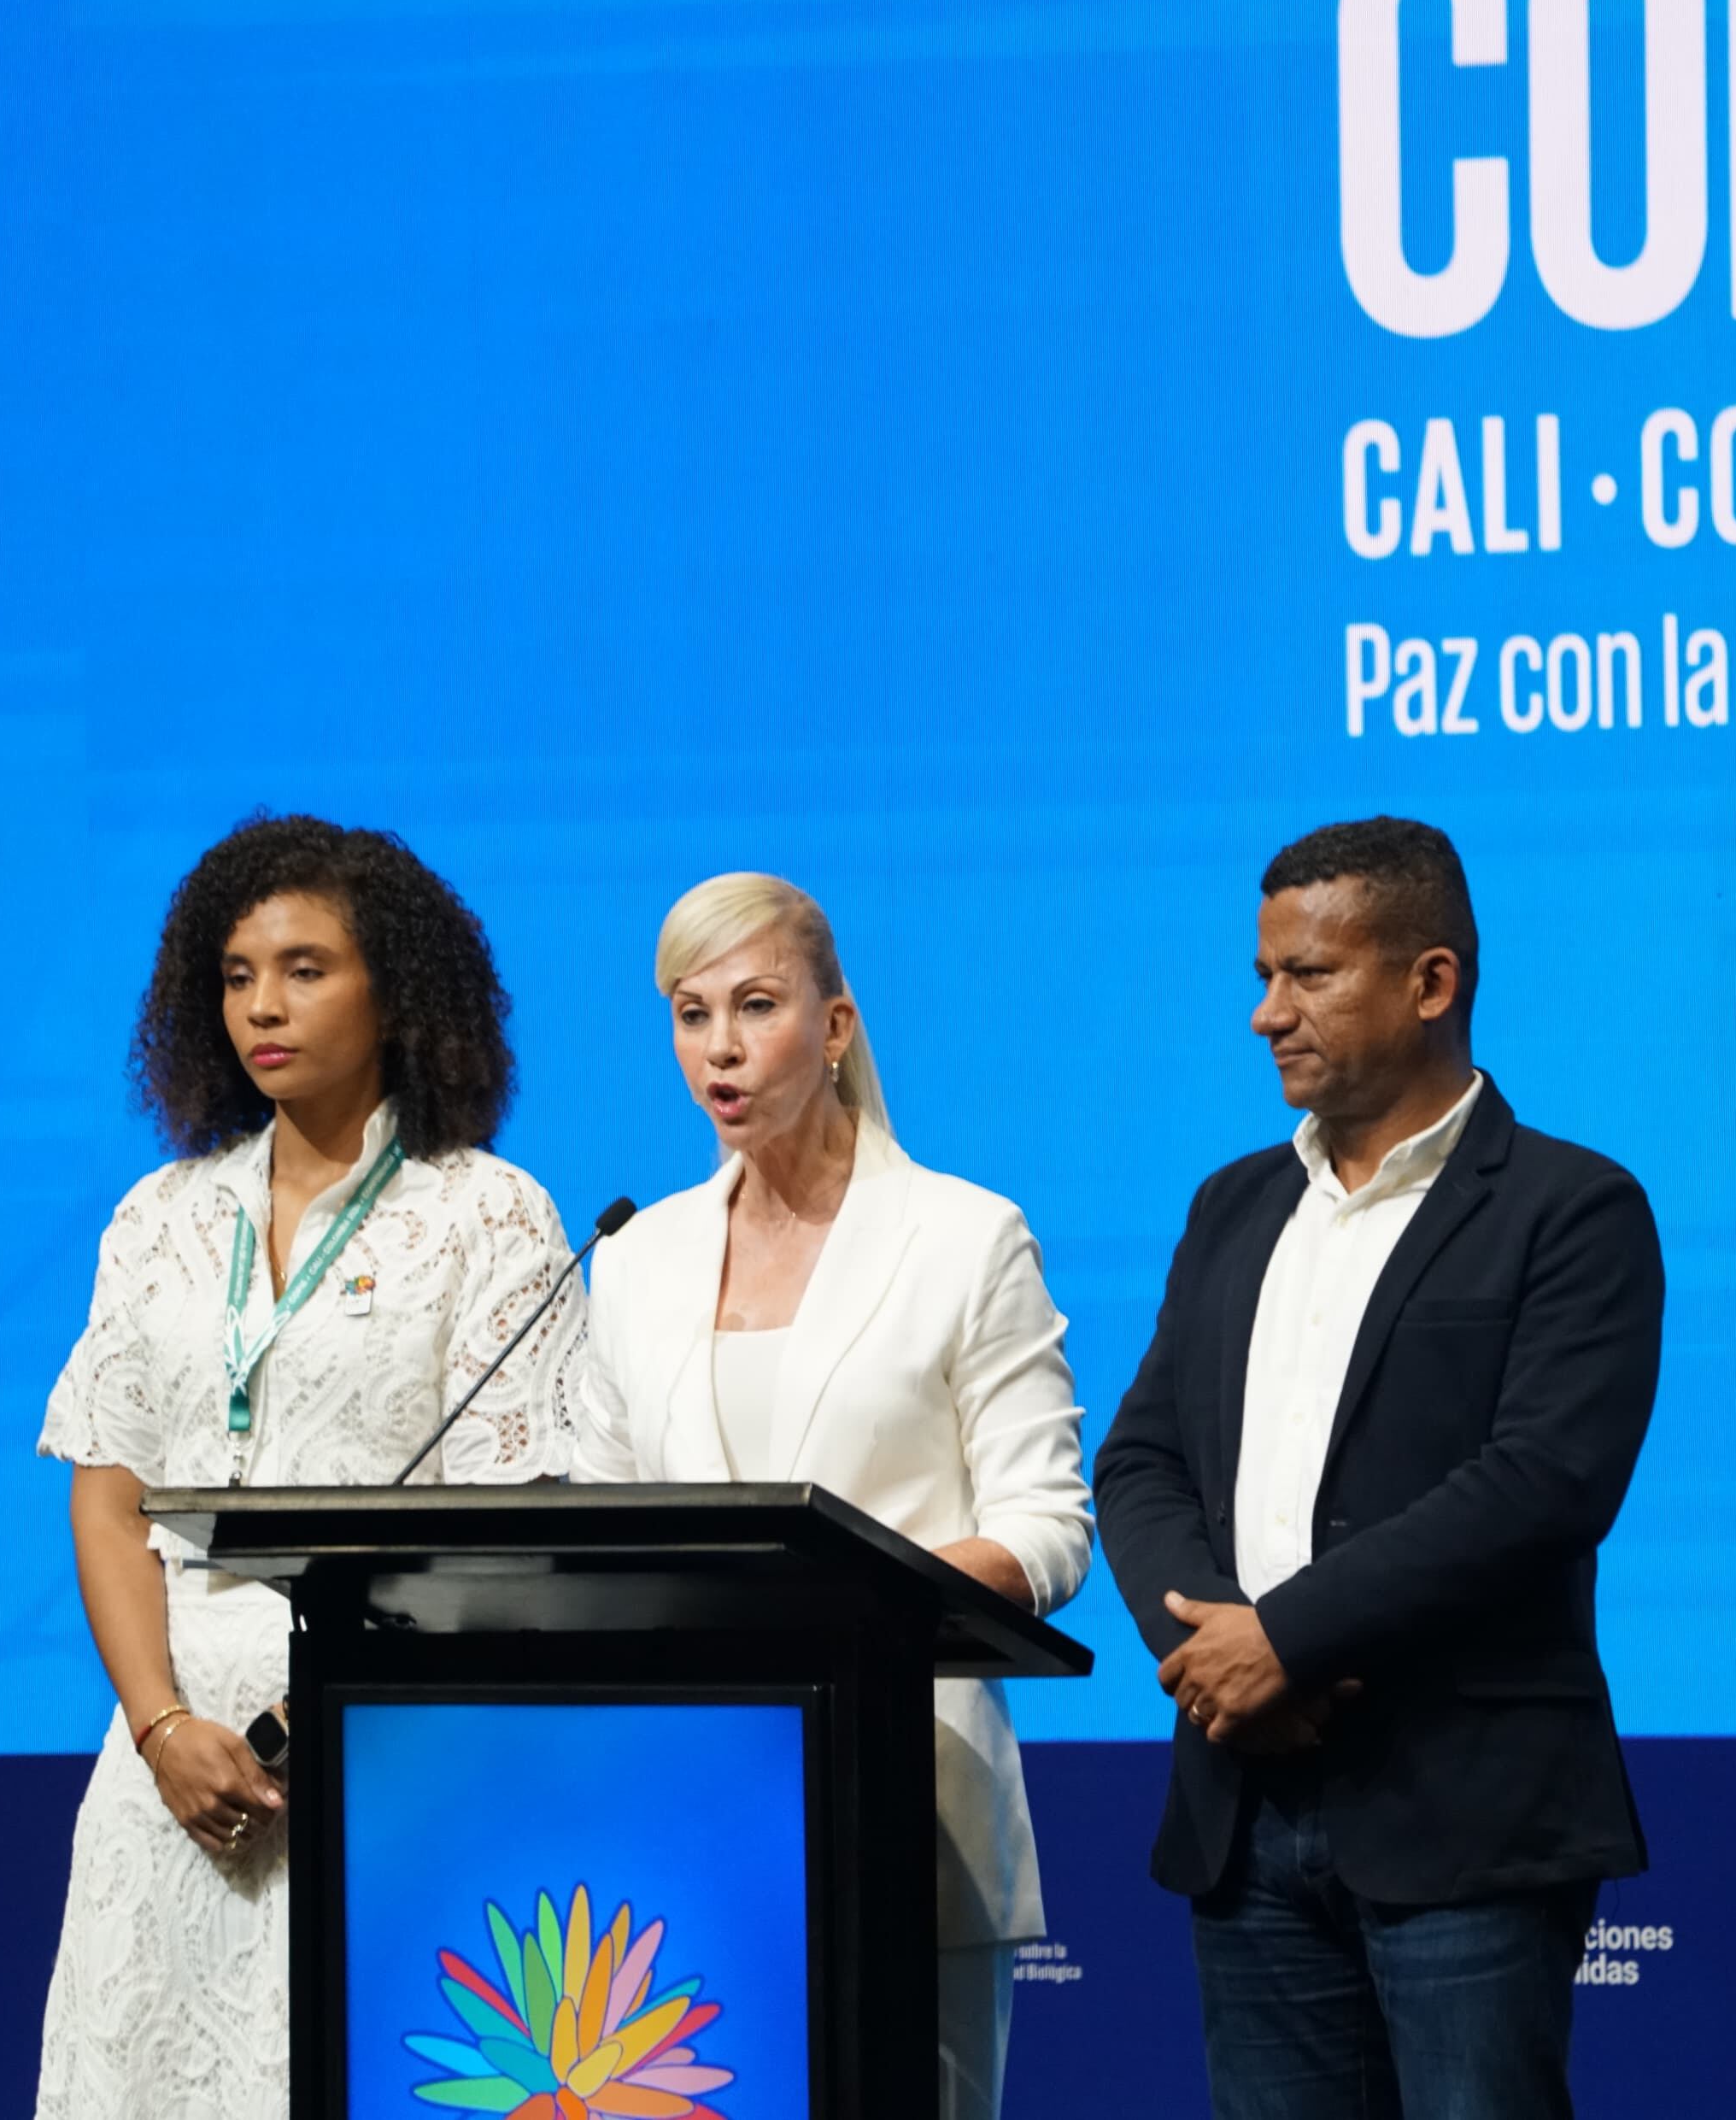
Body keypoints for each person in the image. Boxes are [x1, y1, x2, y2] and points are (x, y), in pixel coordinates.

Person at [1094, 818, 1663, 2120]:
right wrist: (1213, 1651)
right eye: (1263, 973)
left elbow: (1543, 1483)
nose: (1265, 1014)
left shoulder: (1571, 1210)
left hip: (1461, 1813)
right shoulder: (1231, 1206)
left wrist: (1282, 1640)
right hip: (1243, 1803)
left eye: (1309, 976)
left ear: (1431, 982)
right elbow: (1139, 1460)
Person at [33, 813, 585, 2120]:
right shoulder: (159, 1219)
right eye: (234, 976)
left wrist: (322, 1717)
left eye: (305, 968)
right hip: (165, 1771)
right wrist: (164, 1728)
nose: (261, 1007)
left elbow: (502, 1531)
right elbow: (110, 1496)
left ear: (396, 991)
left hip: (381, 1754)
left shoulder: (486, 1213)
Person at [570, 872, 1094, 2120]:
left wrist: (852, 1613)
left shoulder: (965, 1238)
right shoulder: (636, 1261)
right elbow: (599, 1530)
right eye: (693, 1016)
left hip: (911, 1804)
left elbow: (1047, 1527)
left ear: (839, 1026)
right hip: (689, 1812)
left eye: (756, 1006)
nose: (721, 1049)